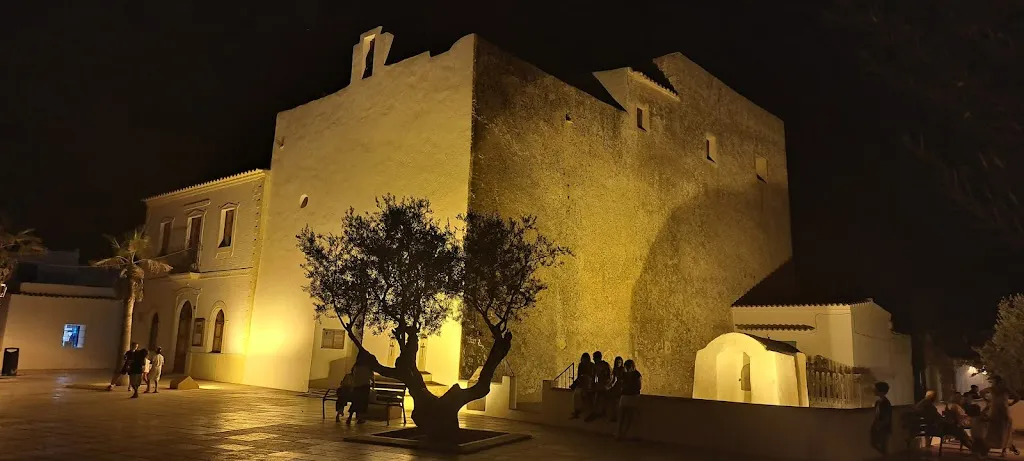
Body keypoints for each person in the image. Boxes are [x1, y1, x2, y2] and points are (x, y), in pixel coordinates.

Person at [980, 375, 1020, 457]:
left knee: (1002, 431)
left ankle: (1002, 450)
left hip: (1001, 412)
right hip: (997, 412)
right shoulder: (994, 389)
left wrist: (1011, 404)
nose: (992, 382)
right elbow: (981, 392)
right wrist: (1010, 404)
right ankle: (990, 450)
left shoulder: (1002, 389)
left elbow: (1017, 397)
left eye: (993, 381)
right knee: (996, 431)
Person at [616, 359, 641, 440]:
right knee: (625, 417)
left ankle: (620, 434)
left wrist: (625, 387)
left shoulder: (631, 374)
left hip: (628, 397)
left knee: (624, 417)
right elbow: (639, 386)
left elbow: (638, 386)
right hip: (630, 397)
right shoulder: (635, 374)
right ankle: (621, 434)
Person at [347, 351, 374, 424]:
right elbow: (371, 377)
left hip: (356, 386)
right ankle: (360, 418)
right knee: (363, 403)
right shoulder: (368, 367)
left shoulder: (356, 367)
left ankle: (350, 417)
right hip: (365, 386)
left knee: (355, 402)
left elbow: (353, 376)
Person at [587, 351, 612, 422]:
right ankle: (597, 412)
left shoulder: (603, 365)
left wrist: (605, 385)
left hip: (604, 386)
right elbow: (593, 377)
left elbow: (609, 377)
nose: (593, 359)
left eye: (594, 358)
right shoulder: (598, 366)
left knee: (598, 397)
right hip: (601, 385)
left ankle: (598, 412)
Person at [870, 381, 892, 456]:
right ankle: (885, 456)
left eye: (875, 389)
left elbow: (887, 417)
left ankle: (885, 457)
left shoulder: (886, 403)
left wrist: (880, 424)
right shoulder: (878, 402)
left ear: (880, 391)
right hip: (879, 426)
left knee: (883, 446)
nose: (874, 391)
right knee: (875, 444)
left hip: (883, 427)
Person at [570, 352, 593, 419]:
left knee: (585, 396)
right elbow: (579, 375)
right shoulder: (581, 365)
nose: (584, 361)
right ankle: (576, 411)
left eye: (585, 360)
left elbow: (591, 376)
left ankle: (585, 413)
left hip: (588, 383)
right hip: (582, 382)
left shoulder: (591, 365)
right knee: (576, 395)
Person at [608, 356, 625, 422]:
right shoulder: (615, 370)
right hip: (615, 389)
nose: (618, 364)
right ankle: (615, 417)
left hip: (620, 389)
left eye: (619, 362)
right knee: (614, 404)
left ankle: (618, 417)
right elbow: (612, 379)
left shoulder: (623, 370)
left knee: (618, 404)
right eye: (617, 362)